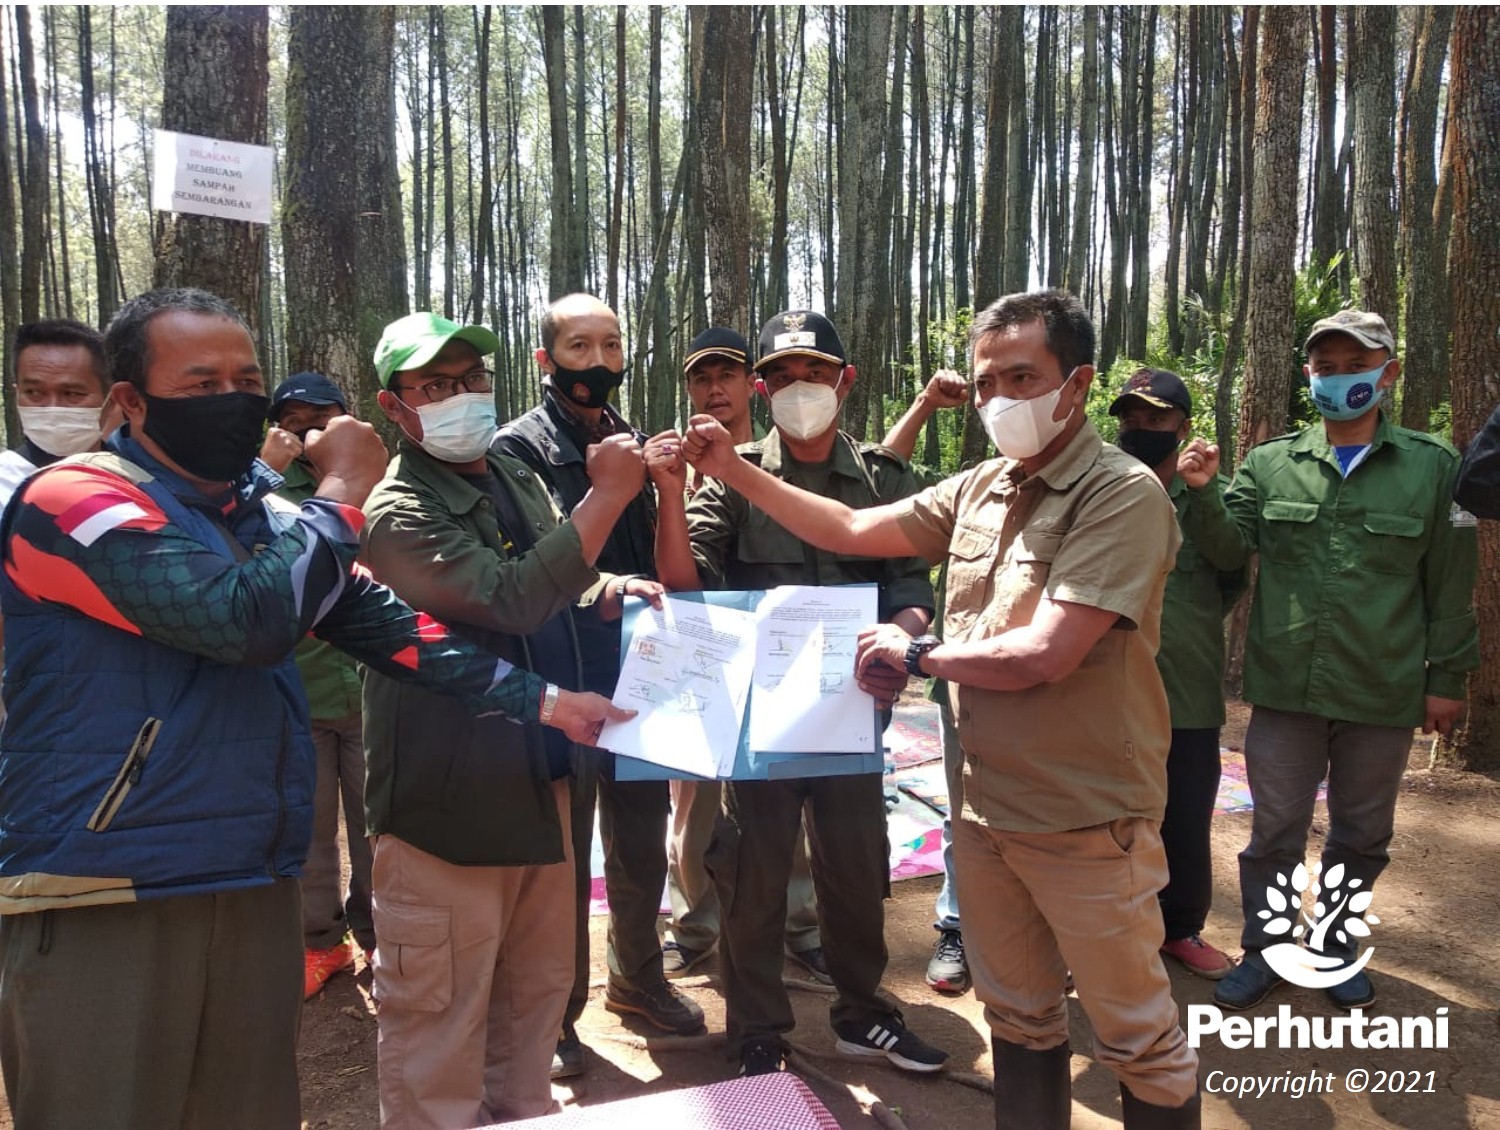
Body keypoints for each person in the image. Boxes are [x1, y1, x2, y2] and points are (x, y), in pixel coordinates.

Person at [0, 288, 627, 1130]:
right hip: (106, 888)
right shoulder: (74, 500)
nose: (232, 396)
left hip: (249, 870)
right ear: (129, 401)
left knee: (250, 1107)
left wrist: (549, 704)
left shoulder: (254, 514)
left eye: (245, 376)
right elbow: (242, 620)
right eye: (199, 383)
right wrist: (339, 490)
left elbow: (384, 627)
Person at [679, 290, 1202, 1127]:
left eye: (1022, 377)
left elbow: (1048, 652)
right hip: (985, 813)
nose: (1000, 398)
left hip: (1085, 817)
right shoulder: (982, 488)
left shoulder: (1122, 493)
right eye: (988, 380)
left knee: (1136, 1033)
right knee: (1019, 1016)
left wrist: (914, 652)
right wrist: (733, 470)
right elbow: (851, 529)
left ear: (1077, 384)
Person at [359, 311, 659, 1127]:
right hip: (447, 812)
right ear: (396, 408)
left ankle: (523, 1112)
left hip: (543, 783)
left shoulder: (506, 471)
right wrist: (608, 495)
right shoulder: (397, 511)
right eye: (434, 387)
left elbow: (545, 564)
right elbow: (509, 598)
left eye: (472, 381)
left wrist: (604, 592)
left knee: (534, 1000)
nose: (462, 398)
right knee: (439, 1023)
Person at [649, 309, 948, 1079]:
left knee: (855, 870)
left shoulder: (885, 476)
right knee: (753, 875)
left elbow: (913, 587)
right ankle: (757, 1031)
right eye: (781, 376)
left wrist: (900, 638)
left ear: (846, 381)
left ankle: (863, 1014)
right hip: (761, 721)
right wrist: (673, 496)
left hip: (855, 710)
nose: (798, 388)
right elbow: (688, 588)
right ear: (760, 387)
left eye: (815, 373)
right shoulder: (733, 472)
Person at [1177, 310, 1479, 1013]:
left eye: (1357, 364)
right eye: (1326, 366)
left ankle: (1336, 948)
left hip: (1384, 687)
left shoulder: (1434, 469)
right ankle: (1269, 949)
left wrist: (1446, 680)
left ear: (1389, 372)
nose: (1340, 377)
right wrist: (1203, 494)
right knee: (1274, 832)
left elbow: (1451, 586)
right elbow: (1228, 550)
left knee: (1362, 832)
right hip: (1287, 689)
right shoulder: (1270, 462)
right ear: (1307, 374)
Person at [495, 294, 703, 1079]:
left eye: (611, 343)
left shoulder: (640, 440)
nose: (598, 361)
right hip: (561, 671)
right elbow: (533, 555)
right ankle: (555, 1014)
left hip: (642, 668)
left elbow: (661, 544)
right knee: (559, 854)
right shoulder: (514, 447)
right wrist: (608, 576)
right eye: (578, 346)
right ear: (546, 361)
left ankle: (638, 978)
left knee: (641, 835)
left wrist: (668, 483)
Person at [663, 326, 827, 984]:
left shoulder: (773, 465)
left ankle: (801, 923)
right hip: (700, 656)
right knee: (692, 804)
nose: (714, 389)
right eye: (701, 378)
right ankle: (693, 926)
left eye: (726, 376)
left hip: (783, 661)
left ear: (748, 387)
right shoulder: (664, 459)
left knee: (786, 806)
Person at [1109, 368, 1246, 980]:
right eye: (1132, 420)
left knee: (1186, 816)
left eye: (1156, 420)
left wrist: (1204, 489)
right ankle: (1097, 937)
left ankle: (1180, 929)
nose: (1142, 429)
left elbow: (1234, 563)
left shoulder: (1208, 496)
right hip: (1106, 692)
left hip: (1186, 691)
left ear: (1183, 427)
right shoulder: (1099, 490)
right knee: (1101, 822)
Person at [260, 372, 377, 998]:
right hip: (298, 692)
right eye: (293, 417)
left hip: (366, 687)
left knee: (375, 824)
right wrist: (266, 469)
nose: (307, 428)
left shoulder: (368, 476)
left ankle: (380, 937)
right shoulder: (263, 485)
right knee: (307, 831)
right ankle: (320, 943)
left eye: (321, 416)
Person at [880, 368, 973, 994]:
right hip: (967, 695)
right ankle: (959, 929)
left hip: (1064, 701)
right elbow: (874, 497)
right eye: (993, 385)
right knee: (967, 816)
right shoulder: (969, 491)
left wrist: (913, 650)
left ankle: (1054, 949)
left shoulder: (1109, 488)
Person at [0, 319, 113, 508]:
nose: (52, 408)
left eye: (72, 394)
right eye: (34, 393)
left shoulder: (140, 480)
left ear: (111, 399)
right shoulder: (4, 483)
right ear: (17, 394)